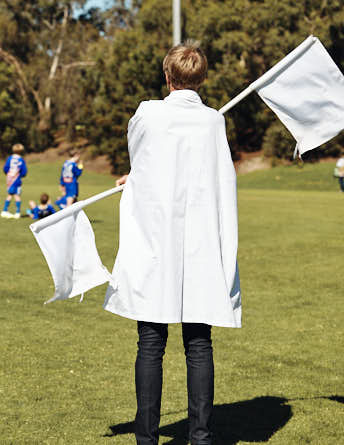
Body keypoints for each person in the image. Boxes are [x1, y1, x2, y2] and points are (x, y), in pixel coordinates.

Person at [104, 41, 241, 445]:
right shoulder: (213, 121)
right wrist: (139, 176)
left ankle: (146, 438)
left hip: (158, 244)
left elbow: (141, 158)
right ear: (201, 78)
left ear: (168, 77)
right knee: (198, 344)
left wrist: (137, 177)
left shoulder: (149, 112)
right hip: (198, 243)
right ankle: (200, 437)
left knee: (151, 343)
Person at [1, 143, 28, 219]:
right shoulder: (21, 159)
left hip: (9, 179)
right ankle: (17, 212)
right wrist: (21, 175)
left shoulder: (10, 158)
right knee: (17, 195)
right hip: (16, 179)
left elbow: (5, 168)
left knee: (9, 194)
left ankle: (5, 210)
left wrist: (9, 174)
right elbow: (24, 171)